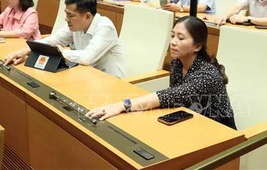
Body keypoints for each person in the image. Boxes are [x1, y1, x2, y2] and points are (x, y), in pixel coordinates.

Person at [86, 16, 236, 129]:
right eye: (172, 36)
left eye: (181, 38)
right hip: (191, 123)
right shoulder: (178, 61)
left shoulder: (207, 75)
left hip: (220, 133)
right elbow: (174, 99)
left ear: (197, 46)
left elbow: (171, 95)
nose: (173, 42)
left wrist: (121, 106)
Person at [3, 0, 125, 78]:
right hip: (85, 75)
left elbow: (87, 57)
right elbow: (54, 40)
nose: (66, 19)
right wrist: (26, 50)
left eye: (70, 15)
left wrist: (61, 51)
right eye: (66, 14)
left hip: (110, 82)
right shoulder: (76, 24)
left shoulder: (105, 27)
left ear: (87, 16)